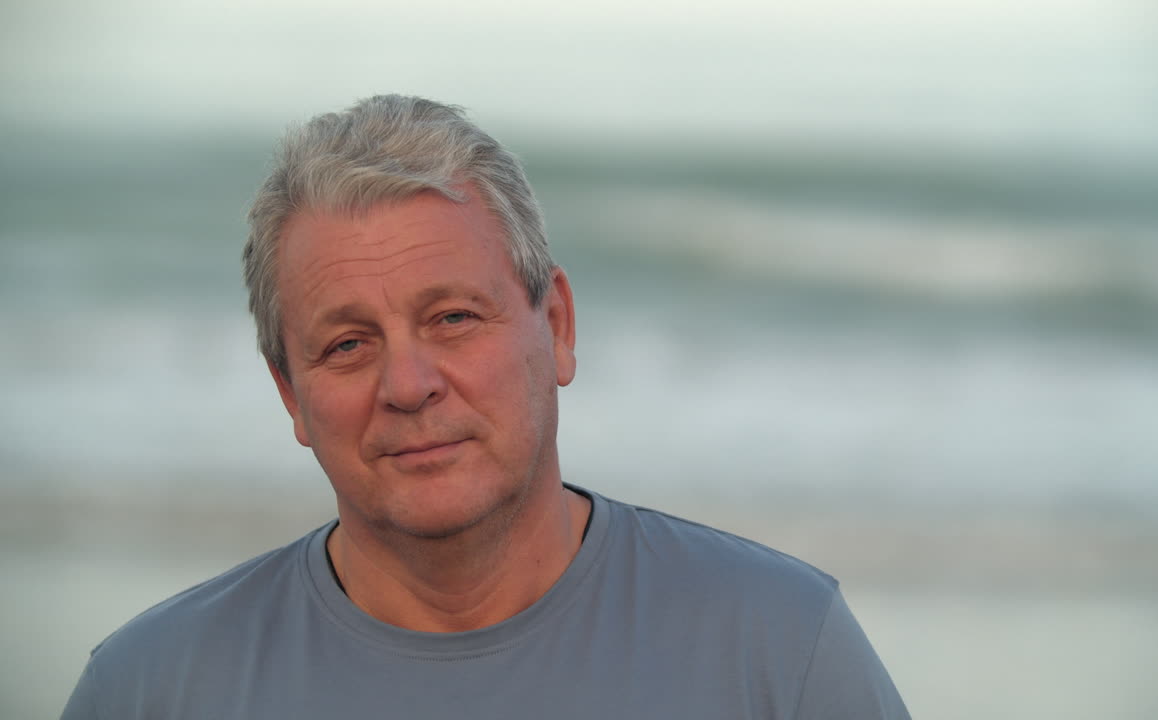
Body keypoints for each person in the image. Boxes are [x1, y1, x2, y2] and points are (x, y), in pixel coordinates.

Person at [61, 94, 910, 719]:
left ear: (558, 326)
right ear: (291, 394)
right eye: (348, 344)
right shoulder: (150, 689)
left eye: (454, 319)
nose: (408, 385)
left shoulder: (778, 650)